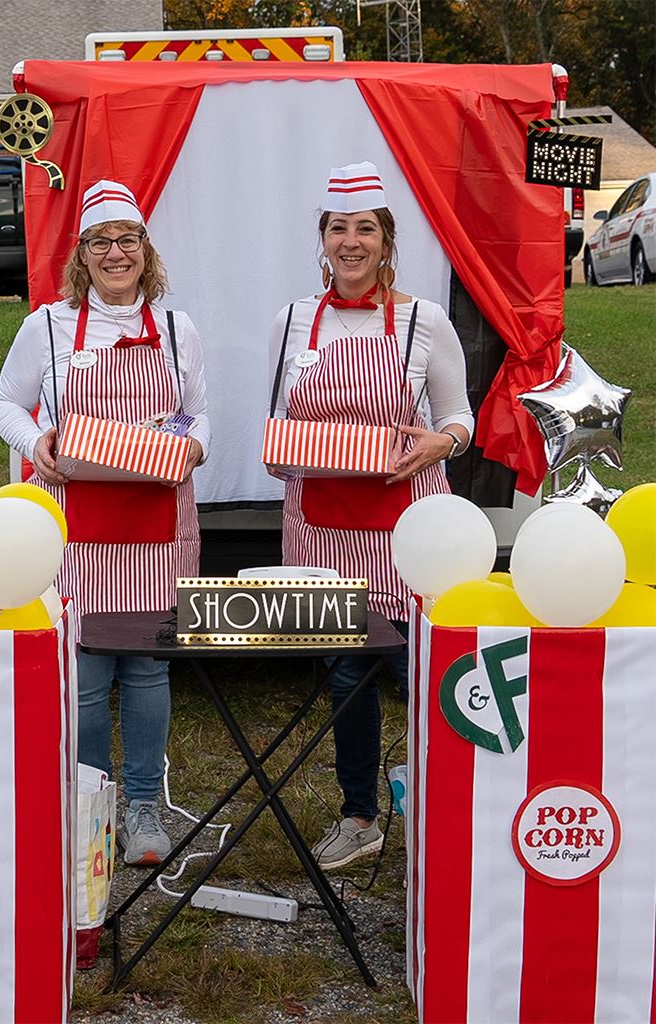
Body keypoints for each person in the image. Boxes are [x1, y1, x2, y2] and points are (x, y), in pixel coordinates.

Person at [0, 180, 210, 865]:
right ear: (81, 254)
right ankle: (90, 803)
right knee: (84, 673)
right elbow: (5, 403)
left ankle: (143, 807)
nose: (116, 253)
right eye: (100, 241)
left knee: (146, 668)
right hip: (76, 524)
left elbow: (199, 414)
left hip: (154, 525)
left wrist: (195, 445)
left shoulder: (177, 329)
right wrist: (37, 446)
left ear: (147, 250)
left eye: (128, 239)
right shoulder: (47, 328)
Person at [267, 161, 473, 869]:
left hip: (411, 529)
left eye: (365, 230)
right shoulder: (292, 322)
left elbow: (459, 419)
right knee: (348, 678)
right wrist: (280, 451)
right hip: (324, 525)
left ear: (387, 242)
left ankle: (456, 806)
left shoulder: (425, 320)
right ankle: (360, 816)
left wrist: (441, 444)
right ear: (321, 239)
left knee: (427, 670)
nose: (350, 242)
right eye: (338, 229)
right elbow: (278, 422)